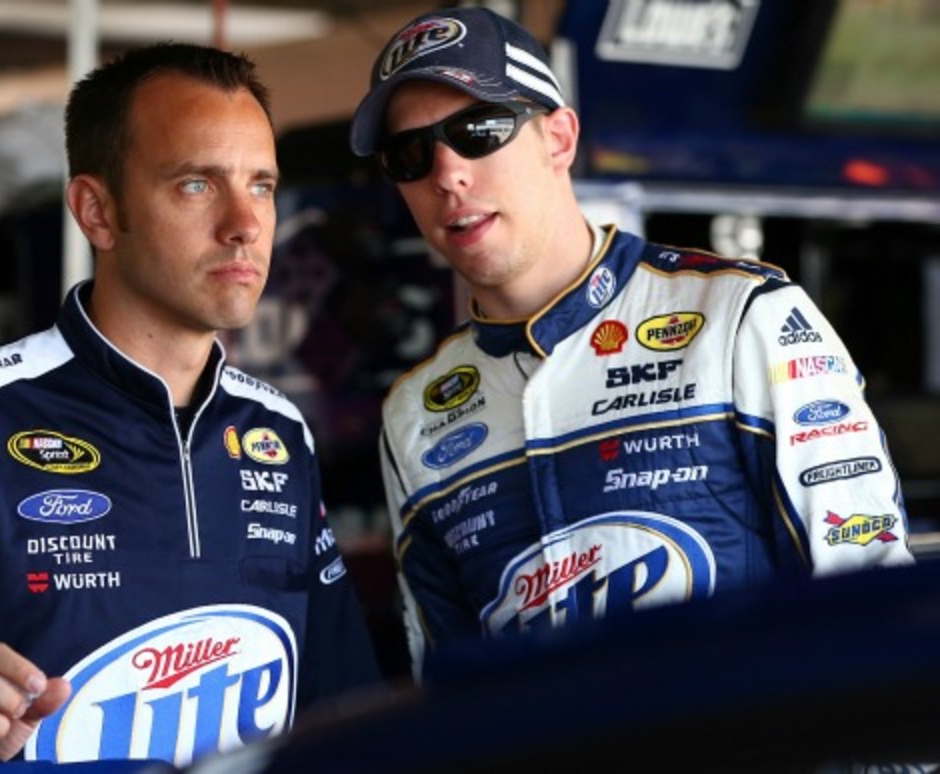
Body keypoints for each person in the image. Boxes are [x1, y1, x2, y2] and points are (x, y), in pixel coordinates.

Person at [0, 42, 381, 768]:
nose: (245, 222)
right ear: (97, 212)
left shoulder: (279, 433)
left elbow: (346, 707)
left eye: (260, 184)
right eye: (197, 184)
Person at [349, 7, 916, 679]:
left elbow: (873, 611)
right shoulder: (413, 412)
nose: (446, 173)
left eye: (478, 131)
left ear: (558, 138)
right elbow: (447, 687)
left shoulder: (741, 316)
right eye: (408, 154)